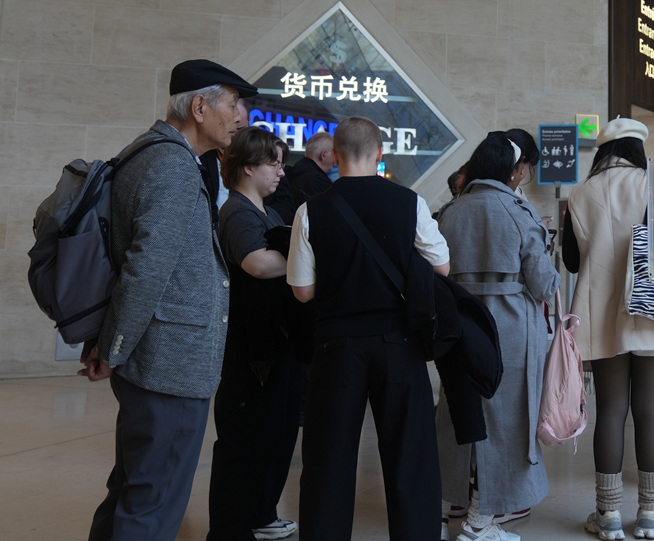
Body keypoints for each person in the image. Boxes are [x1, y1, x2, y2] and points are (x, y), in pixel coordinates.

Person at [80, 59, 255, 541]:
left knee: (132, 491)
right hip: (169, 366)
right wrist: (113, 348)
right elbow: (147, 269)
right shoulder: (173, 166)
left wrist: (112, 345)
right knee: (152, 506)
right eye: (233, 104)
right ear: (199, 107)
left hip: (155, 359)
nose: (240, 117)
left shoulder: (150, 153)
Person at [287, 116, 451, 540]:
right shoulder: (409, 202)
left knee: (328, 459)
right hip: (399, 345)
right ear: (380, 153)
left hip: (337, 348)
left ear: (334, 155)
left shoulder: (311, 209)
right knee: (411, 458)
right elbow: (442, 266)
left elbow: (302, 292)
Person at [436, 133, 559, 541]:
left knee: (459, 415)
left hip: (459, 325)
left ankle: (452, 501)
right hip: (509, 329)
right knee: (506, 422)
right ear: (513, 169)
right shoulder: (519, 211)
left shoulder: (451, 211)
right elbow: (543, 284)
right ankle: (481, 518)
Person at [562, 117, 654, 541]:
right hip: (652, 310)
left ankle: (608, 514)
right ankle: (650, 513)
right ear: (637, 149)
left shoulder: (581, 191)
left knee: (610, 411)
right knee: (650, 411)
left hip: (600, 311)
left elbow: (572, 261)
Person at [208, 127, 304, 541]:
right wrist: (309, 260)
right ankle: (230, 529)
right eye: (273, 164)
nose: (281, 172)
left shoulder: (268, 213)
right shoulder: (237, 212)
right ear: (248, 167)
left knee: (276, 438)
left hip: (276, 343)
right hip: (252, 350)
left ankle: (261, 514)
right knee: (245, 443)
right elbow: (257, 264)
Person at [287, 130, 335, 204]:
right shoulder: (318, 182)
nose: (335, 159)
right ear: (323, 155)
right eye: (334, 153)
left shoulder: (294, 173)